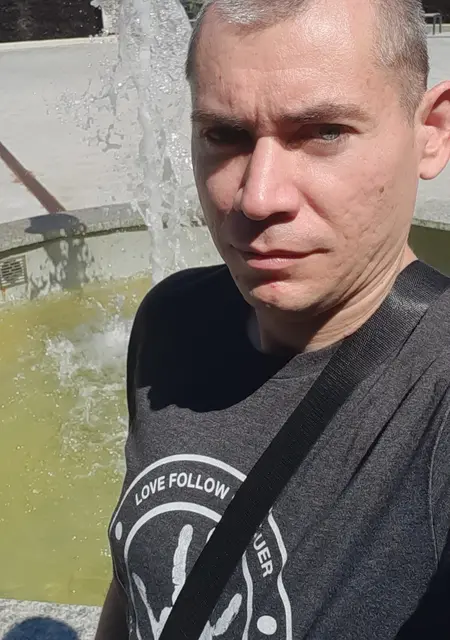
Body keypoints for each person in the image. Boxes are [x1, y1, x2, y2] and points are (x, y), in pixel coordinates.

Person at [95, 0, 450, 638]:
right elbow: (140, 581)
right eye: (224, 135)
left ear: (432, 132)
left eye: (324, 132)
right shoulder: (173, 320)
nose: (258, 198)